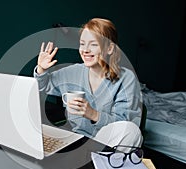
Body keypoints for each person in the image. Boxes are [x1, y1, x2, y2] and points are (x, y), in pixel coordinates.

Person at [34, 18, 143, 148]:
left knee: (131, 131)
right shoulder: (72, 72)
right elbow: (43, 86)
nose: (85, 50)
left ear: (109, 48)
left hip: (106, 142)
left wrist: (93, 114)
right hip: (77, 140)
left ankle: (102, 164)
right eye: (82, 43)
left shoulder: (126, 78)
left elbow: (124, 124)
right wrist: (41, 69)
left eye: (93, 44)